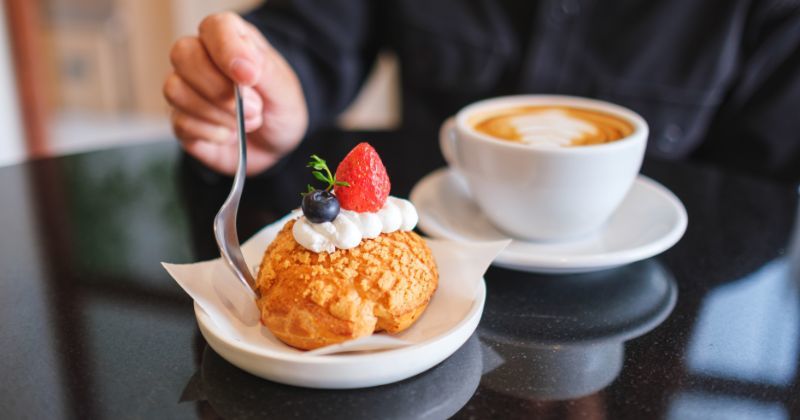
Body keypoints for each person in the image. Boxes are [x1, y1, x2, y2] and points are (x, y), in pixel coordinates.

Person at [163, 0, 800, 182]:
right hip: (436, 320)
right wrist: (265, 85)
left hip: (656, 311)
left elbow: (769, 194)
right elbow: (315, 29)